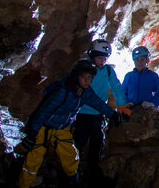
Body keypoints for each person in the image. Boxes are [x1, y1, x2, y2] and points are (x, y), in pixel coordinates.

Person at [18, 60, 122, 188]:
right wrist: (33, 132)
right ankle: (24, 185)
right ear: (76, 76)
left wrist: (112, 114)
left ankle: (73, 181)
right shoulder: (62, 91)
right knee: (34, 158)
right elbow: (43, 112)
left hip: (62, 128)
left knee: (71, 156)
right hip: (44, 128)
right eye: (83, 77)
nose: (87, 81)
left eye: (90, 77)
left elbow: (97, 103)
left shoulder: (85, 92)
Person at [72, 39, 130, 171]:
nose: (102, 61)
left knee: (97, 141)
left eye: (105, 58)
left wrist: (122, 107)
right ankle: (74, 168)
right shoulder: (83, 68)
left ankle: (92, 167)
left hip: (98, 114)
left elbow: (116, 88)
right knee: (79, 141)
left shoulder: (108, 70)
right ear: (92, 56)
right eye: (99, 58)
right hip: (81, 112)